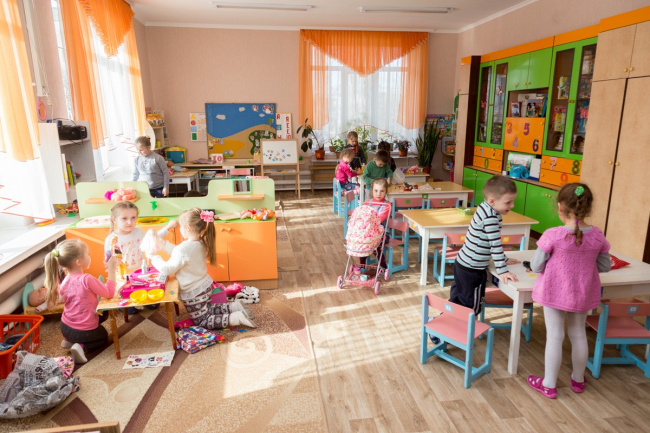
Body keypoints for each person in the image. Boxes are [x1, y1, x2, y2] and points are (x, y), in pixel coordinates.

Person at [527, 183, 610, 399]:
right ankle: (578, 380)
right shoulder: (597, 236)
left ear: (560, 206)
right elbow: (605, 266)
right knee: (578, 333)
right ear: (588, 207)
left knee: (555, 336)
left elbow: (535, 266)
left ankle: (549, 385)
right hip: (582, 294)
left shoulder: (552, 235)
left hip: (553, 292)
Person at [150, 208, 256, 329]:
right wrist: (162, 244)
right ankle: (235, 306)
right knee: (208, 309)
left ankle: (237, 317)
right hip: (204, 286)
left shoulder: (184, 249)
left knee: (203, 320)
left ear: (188, 227)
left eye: (181, 226)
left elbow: (168, 269)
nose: (180, 229)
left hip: (193, 292)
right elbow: (179, 253)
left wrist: (154, 258)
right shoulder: (201, 242)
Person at [451, 175, 519, 313]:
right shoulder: (490, 217)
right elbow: (495, 244)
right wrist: (503, 270)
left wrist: (504, 259)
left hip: (462, 263)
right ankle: (463, 326)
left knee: (457, 301)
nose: (512, 206)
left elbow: (487, 242)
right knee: (471, 308)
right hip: (472, 269)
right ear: (492, 201)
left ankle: (445, 322)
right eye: (508, 202)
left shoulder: (484, 207)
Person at [44, 239, 117, 364]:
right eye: (88, 254)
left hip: (65, 327)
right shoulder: (87, 279)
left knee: (102, 315)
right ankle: (81, 345)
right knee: (103, 337)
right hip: (84, 332)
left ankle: (69, 340)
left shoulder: (65, 280)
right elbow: (109, 293)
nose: (89, 256)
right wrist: (111, 269)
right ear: (78, 262)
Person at [104, 201, 178, 312]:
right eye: (124, 218)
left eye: (133, 218)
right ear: (114, 220)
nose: (130, 222)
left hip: (143, 274)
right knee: (131, 310)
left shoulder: (138, 232)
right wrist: (113, 263)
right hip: (125, 278)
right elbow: (107, 262)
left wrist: (168, 227)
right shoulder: (110, 239)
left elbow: (153, 237)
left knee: (154, 305)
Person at [359, 178, 391, 271]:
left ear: (386, 191)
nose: (378, 194)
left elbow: (380, 218)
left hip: (382, 234)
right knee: (363, 242)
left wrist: (367, 220)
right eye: (376, 191)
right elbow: (362, 215)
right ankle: (362, 265)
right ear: (372, 190)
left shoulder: (387, 205)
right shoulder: (367, 202)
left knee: (375, 245)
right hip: (368, 233)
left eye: (382, 191)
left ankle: (383, 266)